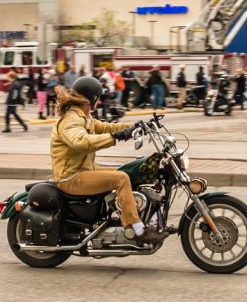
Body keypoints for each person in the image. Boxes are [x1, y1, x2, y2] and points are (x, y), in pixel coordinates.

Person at [52, 76, 166, 244]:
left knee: (126, 171)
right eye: (98, 97)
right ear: (91, 98)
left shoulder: (84, 117)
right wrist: (115, 137)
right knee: (121, 179)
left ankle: (136, 217)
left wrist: (136, 126)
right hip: (71, 177)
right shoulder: (71, 119)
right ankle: (137, 229)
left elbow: (106, 127)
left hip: (84, 170)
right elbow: (80, 142)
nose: (99, 101)